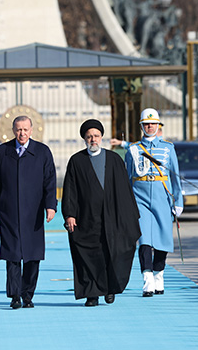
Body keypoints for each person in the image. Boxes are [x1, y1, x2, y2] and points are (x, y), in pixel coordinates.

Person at [62, 119, 141, 306]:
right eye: (89, 136)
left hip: (112, 217)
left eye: (96, 136)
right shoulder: (76, 161)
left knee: (112, 253)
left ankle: (110, 288)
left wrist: (130, 218)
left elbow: (124, 191)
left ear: (101, 137)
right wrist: (70, 214)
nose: (93, 139)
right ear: (84, 139)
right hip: (87, 218)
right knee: (89, 255)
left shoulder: (114, 160)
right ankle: (92, 293)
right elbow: (70, 191)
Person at [0, 115, 57, 309]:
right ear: (13, 130)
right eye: (18, 129)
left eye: (25, 129)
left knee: (32, 255)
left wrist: (50, 205)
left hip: (33, 213)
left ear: (31, 130)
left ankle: (27, 294)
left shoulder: (42, 152)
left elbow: (50, 182)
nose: (22, 133)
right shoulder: (3, 151)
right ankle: (15, 296)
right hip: (8, 211)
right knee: (12, 254)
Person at [125, 108, 183, 297]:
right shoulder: (133, 149)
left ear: (158, 125)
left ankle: (159, 273)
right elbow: (127, 177)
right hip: (139, 197)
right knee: (144, 239)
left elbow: (175, 177)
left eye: (153, 123)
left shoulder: (168, 148)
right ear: (142, 126)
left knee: (162, 240)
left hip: (162, 197)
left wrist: (178, 200)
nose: (150, 126)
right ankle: (147, 278)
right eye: (146, 123)